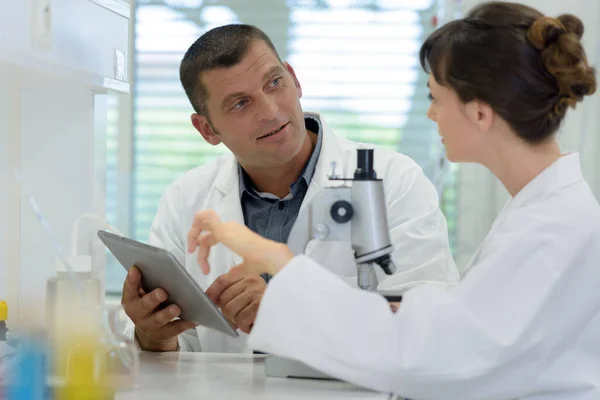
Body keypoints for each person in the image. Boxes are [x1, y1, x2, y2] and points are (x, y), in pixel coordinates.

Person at [187, 2, 600, 398]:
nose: (430, 115)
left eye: (436, 98)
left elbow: (422, 357)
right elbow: (443, 334)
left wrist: (281, 266)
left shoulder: (550, 231)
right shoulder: (540, 214)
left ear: (479, 113)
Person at [121, 24, 460, 353]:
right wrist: (154, 335)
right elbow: (179, 345)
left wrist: (288, 309)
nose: (270, 111)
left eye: (274, 82)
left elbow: (426, 330)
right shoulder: (185, 200)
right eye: (240, 103)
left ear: (294, 80)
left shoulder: (393, 181)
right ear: (207, 129)